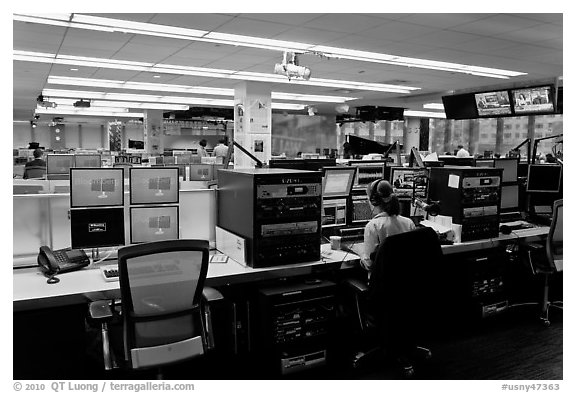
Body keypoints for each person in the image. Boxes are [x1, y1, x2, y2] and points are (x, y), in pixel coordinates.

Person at [361, 179, 416, 274]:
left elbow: (369, 264)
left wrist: (361, 255)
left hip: (381, 284)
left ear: (374, 201)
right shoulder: (409, 223)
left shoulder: (373, 226)